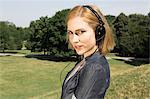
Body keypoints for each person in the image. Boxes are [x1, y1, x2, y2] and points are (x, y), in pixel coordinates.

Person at [61, 4, 115, 99]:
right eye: (70, 32)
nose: (74, 40)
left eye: (81, 32)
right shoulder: (86, 60)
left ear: (99, 32)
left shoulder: (94, 68)